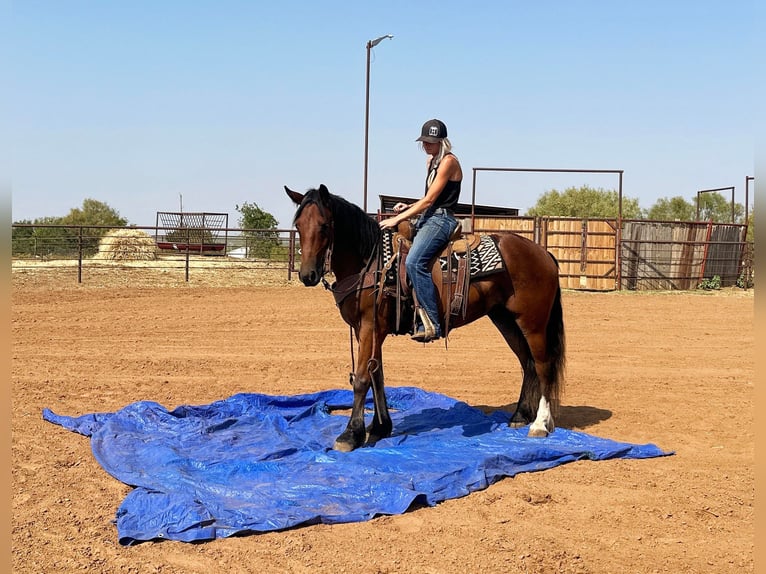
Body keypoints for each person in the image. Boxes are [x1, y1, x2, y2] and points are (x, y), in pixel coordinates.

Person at [379, 118, 463, 342]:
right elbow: (427, 199)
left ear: (442, 142)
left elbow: (430, 201)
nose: (427, 145)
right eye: (424, 141)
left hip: (441, 220)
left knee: (414, 261)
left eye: (431, 141)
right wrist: (408, 207)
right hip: (429, 216)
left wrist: (398, 217)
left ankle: (432, 323)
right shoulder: (431, 162)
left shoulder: (448, 162)